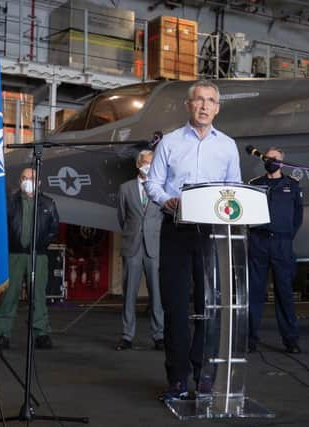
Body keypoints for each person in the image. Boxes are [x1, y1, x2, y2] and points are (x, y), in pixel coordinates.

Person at [146, 80, 241, 400]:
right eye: (198, 100)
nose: (204, 106)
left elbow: (235, 189)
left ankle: (203, 375)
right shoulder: (170, 142)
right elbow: (153, 184)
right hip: (176, 229)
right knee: (175, 307)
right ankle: (176, 379)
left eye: (210, 100)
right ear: (188, 105)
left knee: (209, 306)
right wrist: (166, 200)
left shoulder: (227, 146)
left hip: (211, 234)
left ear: (218, 107)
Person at [0, 167, 59, 350]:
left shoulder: (48, 203)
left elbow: (54, 228)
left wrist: (40, 244)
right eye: (24, 177)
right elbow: (1, 226)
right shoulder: (10, 202)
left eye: (31, 178)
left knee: (38, 296)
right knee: (9, 296)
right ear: (19, 181)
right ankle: (2, 333)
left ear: (38, 182)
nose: (27, 180)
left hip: (38, 256)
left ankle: (41, 333)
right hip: (14, 255)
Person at [247, 147, 304, 354]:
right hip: (258, 242)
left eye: (275, 159)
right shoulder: (255, 185)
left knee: (284, 294)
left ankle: (291, 339)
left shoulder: (292, 185)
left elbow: (298, 216)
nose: (270, 161)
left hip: (282, 244)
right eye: (267, 158)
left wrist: (286, 235)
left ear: (282, 162)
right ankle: (249, 339)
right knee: (254, 292)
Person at [115, 150, 164, 351]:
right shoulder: (125, 188)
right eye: (145, 163)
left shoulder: (161, 188)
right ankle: (127, 335)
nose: (148, 166)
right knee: (129, 294)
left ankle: (159, 335)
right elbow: (121, 217)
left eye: (152, 163)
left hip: (154, 247)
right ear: (138, 164)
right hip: (132, 247)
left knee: (157, 294)